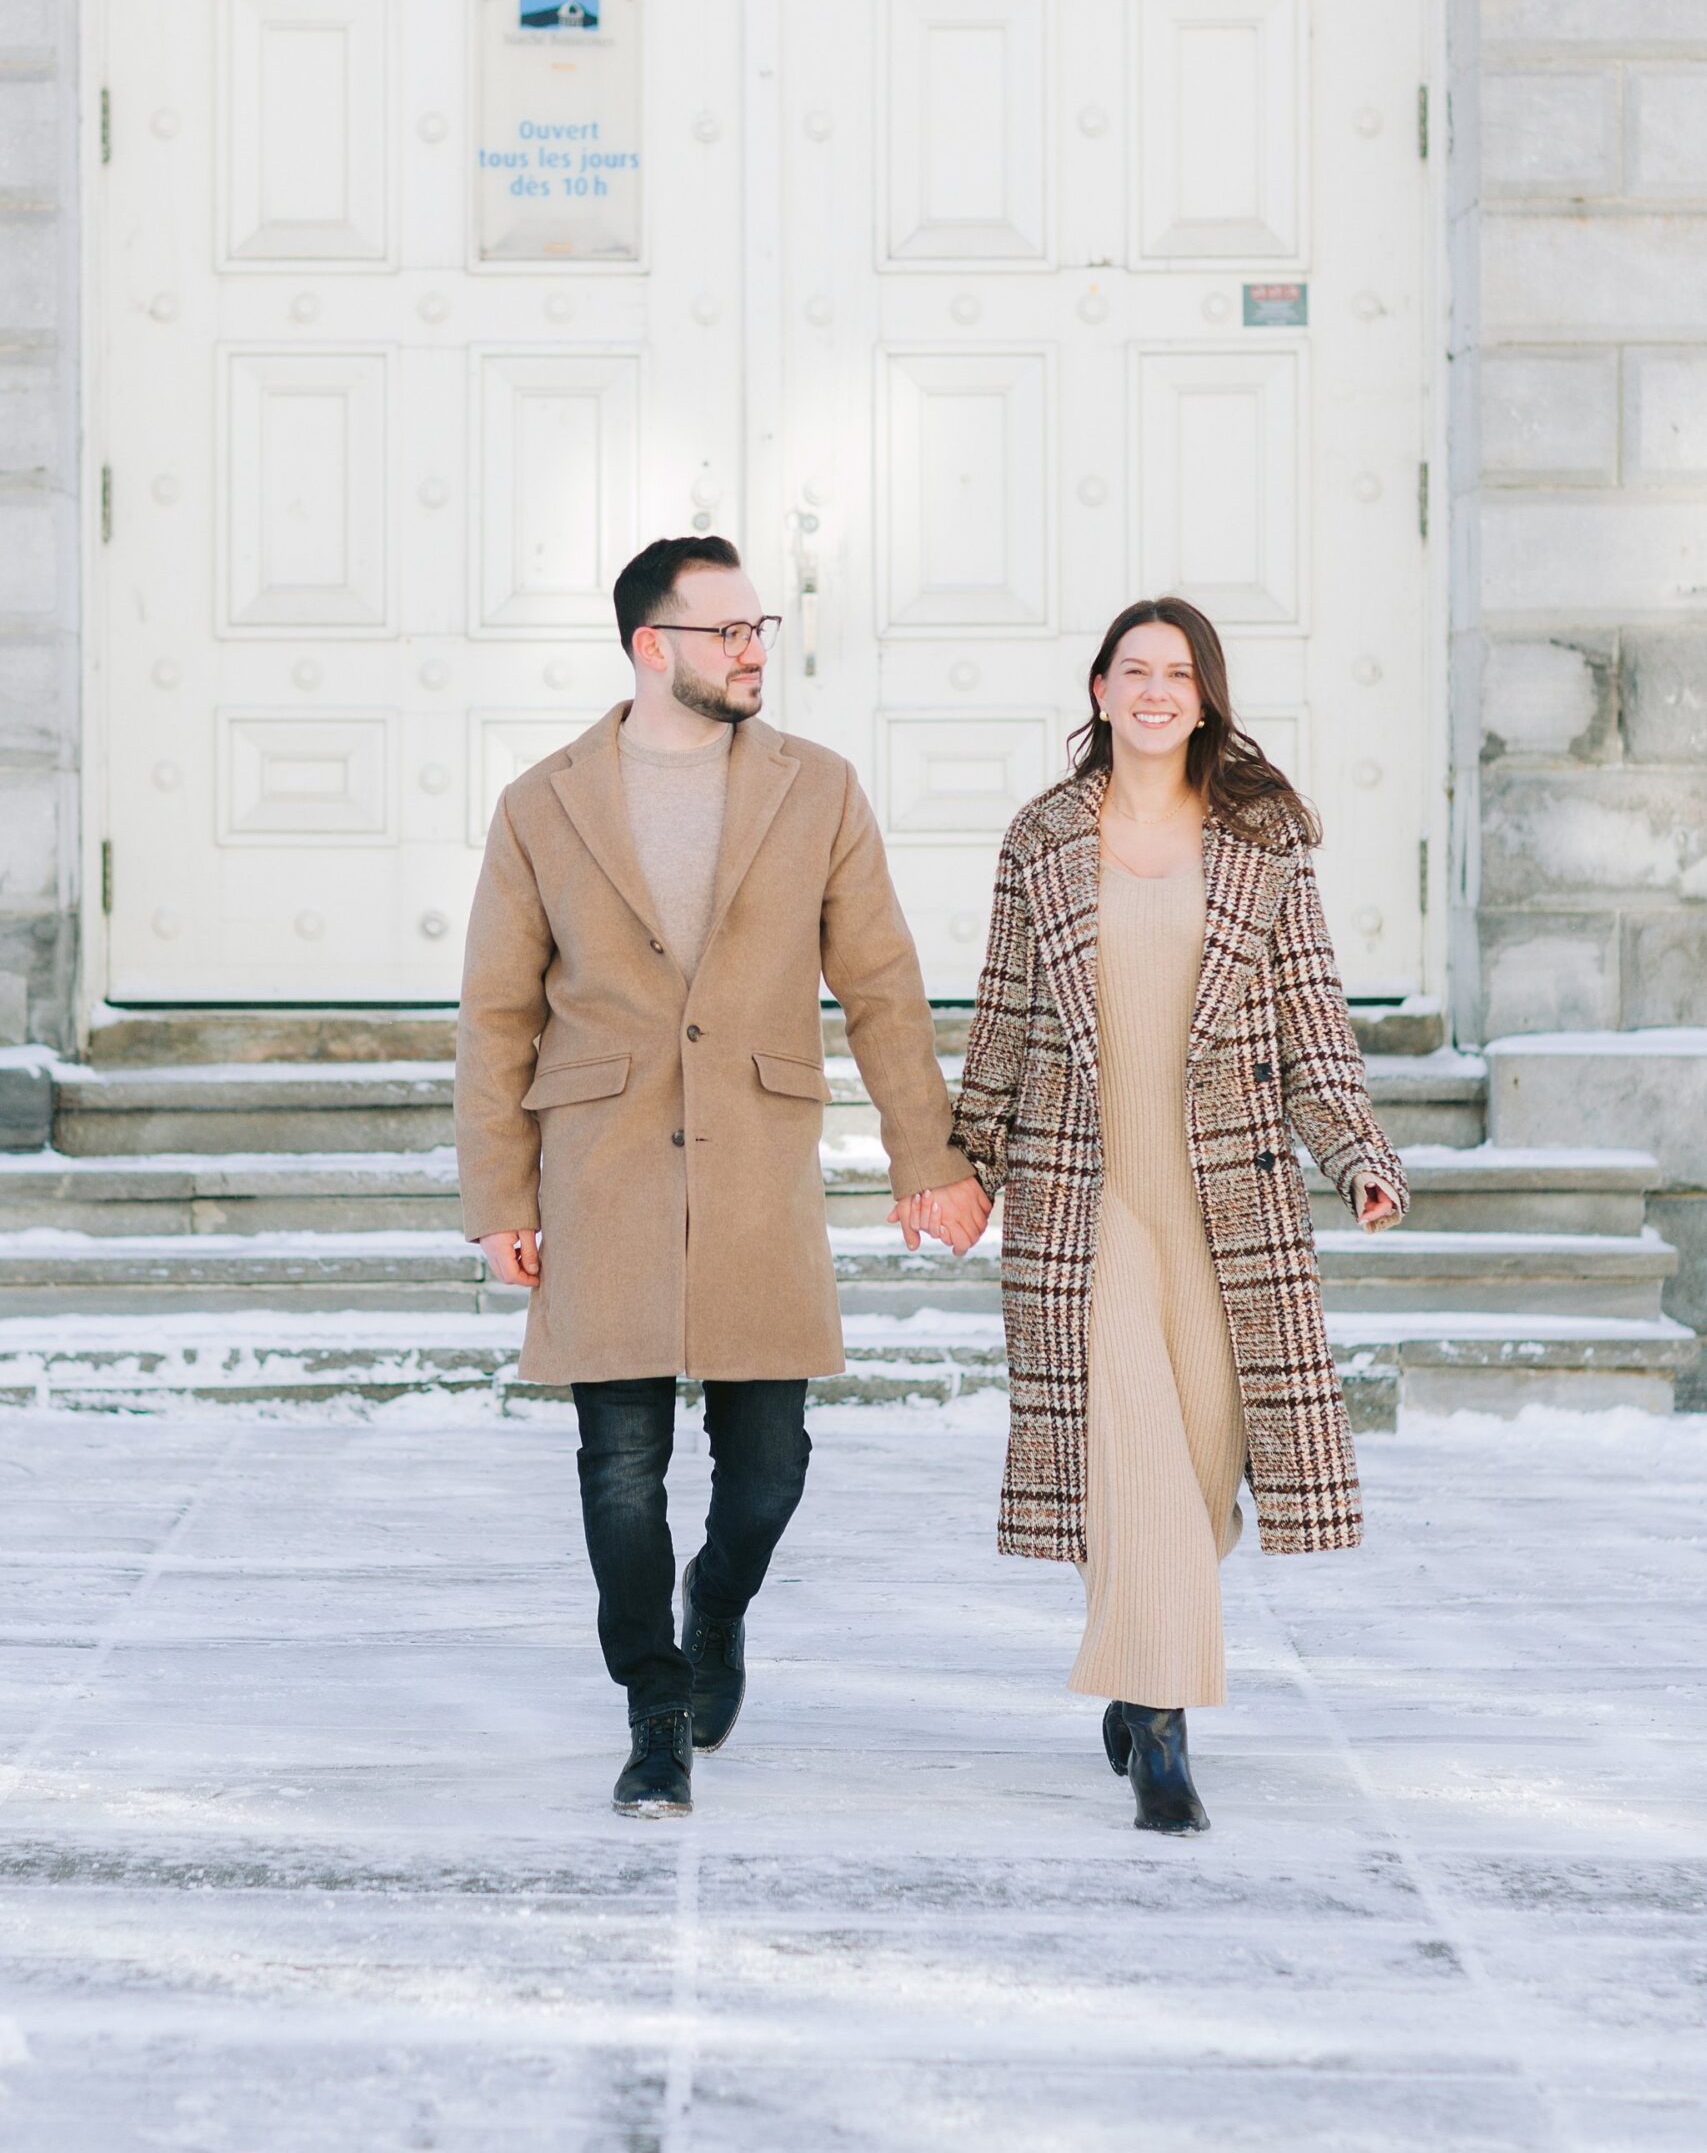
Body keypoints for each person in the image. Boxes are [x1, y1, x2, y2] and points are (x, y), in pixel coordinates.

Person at [455, 536, 989, 1817]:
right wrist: (500, 1197)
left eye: (763, 628)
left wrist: (931, 1156)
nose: (756, 649)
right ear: (655, 647)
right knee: (619, 1470)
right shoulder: (544, 801)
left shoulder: (819, 789)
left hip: (756, 1165)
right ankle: (656, 1706)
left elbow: (880, 986)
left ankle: (719, 1601)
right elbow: (495, 1015)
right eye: (730, 630)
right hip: (604, 1168)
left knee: (770, 1472)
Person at [950, 597, 1407, 1835]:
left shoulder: (1264, 841)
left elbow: (1315, 1023)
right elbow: (1001, 1018)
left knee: (1202, 1472)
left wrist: (1355, 1151)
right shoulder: (1041, 839)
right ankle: (1162, 1733)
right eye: (1133, 670)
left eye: (1179, 673)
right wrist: (964, 1161)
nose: (1156, 690)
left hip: (1224, 1201)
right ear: (1099, 690)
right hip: (1084, 1199)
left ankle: (1138, 1637)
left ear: (1204, 698)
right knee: (1130, 1451)